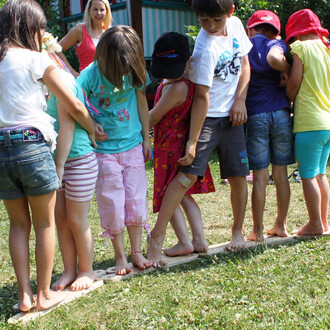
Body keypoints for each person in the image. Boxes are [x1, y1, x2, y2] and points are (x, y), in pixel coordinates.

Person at [0, 0, 96, 312]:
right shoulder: (36, 59)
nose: (43, 34)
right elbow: (74, 104)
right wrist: (92, 129)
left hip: (1, 147)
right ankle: (43, 294)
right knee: (44, 224)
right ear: (30, 28)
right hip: (31, 143)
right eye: (40, 28)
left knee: (17, 225)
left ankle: (24, 296)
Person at [147, 0, 252, 267]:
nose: (211, 27)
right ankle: (157, 236)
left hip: (233, 117)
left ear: (230, 13)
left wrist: (240, 100)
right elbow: (201, 98)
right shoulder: (204, 48)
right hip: (207, 118)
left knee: (239, 176)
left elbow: (245, 65)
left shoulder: (237, 26)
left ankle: (237, 231)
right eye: (204, 21)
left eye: (216, 20)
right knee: (185, 177)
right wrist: (193, 142)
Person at [77, 25, 153, 275]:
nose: (122, 75)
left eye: (126, 70)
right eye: (117, 71)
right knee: (112, 202)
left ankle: (136, 253)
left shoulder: (133, 70)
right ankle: (120, 257)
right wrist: (90, 124)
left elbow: (141, 100)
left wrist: (146, 137)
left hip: (132, 147)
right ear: (102, 58)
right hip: (104, 151)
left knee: (135, 200)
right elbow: (74, 101)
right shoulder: (90, 75)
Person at [149, 32, 215, 257]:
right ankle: (199, 240)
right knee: (184, 195)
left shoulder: (178, 87)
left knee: (170, 194)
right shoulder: (181, 81)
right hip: (176, 145)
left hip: (171, 148)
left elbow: (153, 118)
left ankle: (184, 241)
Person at [44, 35, 98, 292]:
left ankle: (86, 270)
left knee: (77, 220)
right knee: (62, 220)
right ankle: (69, 270)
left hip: (76, 160)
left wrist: (60, 166)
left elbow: (67, 124)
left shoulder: (62, 80)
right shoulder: (43, 83)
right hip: (58, 161)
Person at [245, 10, 295, 241]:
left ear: (250, 29)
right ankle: (281, 225)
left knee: (260, 176)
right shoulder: (278, 44)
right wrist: (286, 70)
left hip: (256, 115)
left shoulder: (244, 46)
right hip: (282, 113)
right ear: (275, 31)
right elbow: (275, 59)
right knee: (281, 174)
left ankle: (257, 230)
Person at [285, 9, 330, 235]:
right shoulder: (326, 48)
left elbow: (294, 83)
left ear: (296, 34)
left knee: (308, 175)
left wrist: (287, 97)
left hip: (309, 123)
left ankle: (314, 224)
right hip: (327, 122)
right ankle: (323, 222)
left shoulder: (300, 48)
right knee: (320, 173)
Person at [57, 0, 112, 78]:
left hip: (108, 83)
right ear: (89, 10)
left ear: (107, 11)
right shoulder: (79, 30)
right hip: (87, 84)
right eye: (95, 9)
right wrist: (72, 73)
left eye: (102, 9)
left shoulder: (110, 31)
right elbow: (55, 49)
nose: (99, 13)